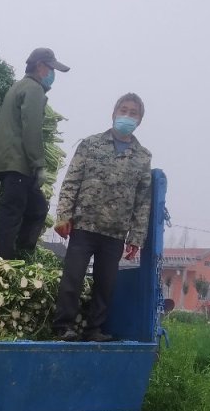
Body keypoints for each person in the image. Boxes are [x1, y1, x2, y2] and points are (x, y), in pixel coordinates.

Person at [52, 93, 152, 341]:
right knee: (72, 279)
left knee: (105, 285)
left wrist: (136, 237)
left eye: (133, 113)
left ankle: (93, 329)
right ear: (114, 112)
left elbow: (143, 200)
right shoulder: (91, 144)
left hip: (115, 232)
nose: (127, 116)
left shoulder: (142, 157)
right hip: (84, 225)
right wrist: (63, 215)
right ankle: (63, 326)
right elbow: (71, 181)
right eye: (124, 110)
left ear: (140, 120)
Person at [0, 47, 70, 260]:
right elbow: (31, 127)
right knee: (12, 212)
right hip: (19, 163)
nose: (53, 75)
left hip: (8, 161)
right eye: (52, 69)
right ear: (41, 66)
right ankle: (4, 259)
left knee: (38, 208)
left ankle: (23, 252)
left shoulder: (17, 86)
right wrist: (38, 164)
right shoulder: (34, 89)